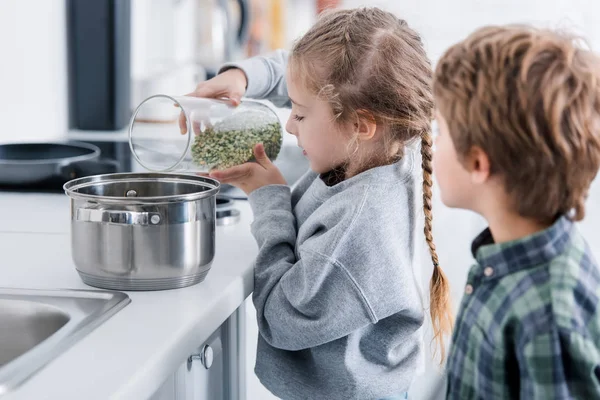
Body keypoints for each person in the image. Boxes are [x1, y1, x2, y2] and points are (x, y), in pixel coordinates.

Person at [188, 7, 452, 400]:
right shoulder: (388, 140)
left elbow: (282, 317)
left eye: (299, 114)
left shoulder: (360, 227)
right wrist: (243, 77)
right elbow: (307, 75)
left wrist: (269, 199)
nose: (290, 124)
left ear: (361, 124)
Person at [432, 25, 600, 399]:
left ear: (477, 162)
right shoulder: (517, 250)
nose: (432, 142)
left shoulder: (549, 317)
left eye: (440, 130)